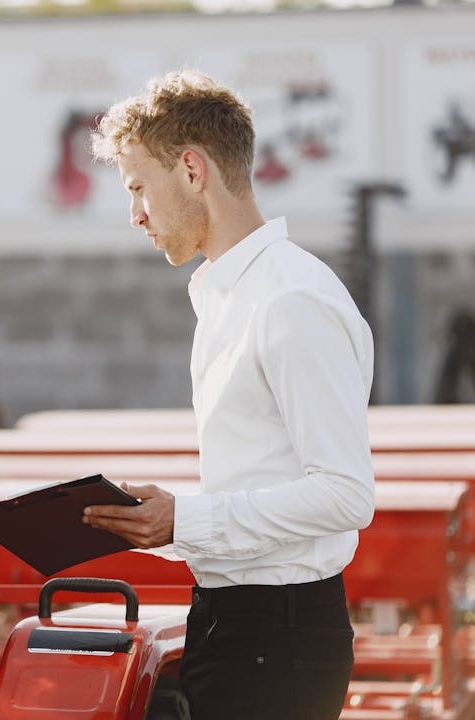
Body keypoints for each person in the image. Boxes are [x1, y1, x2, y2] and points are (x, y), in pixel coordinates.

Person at [84, 70, 375, 720]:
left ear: (191, 170)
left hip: (280, 636)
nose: (135, 214)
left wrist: (182, 520)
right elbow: (265, 470)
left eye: (138, 188)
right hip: (235, 623)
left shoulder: (290, 301)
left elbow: (346, 493)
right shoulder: (231, 294)